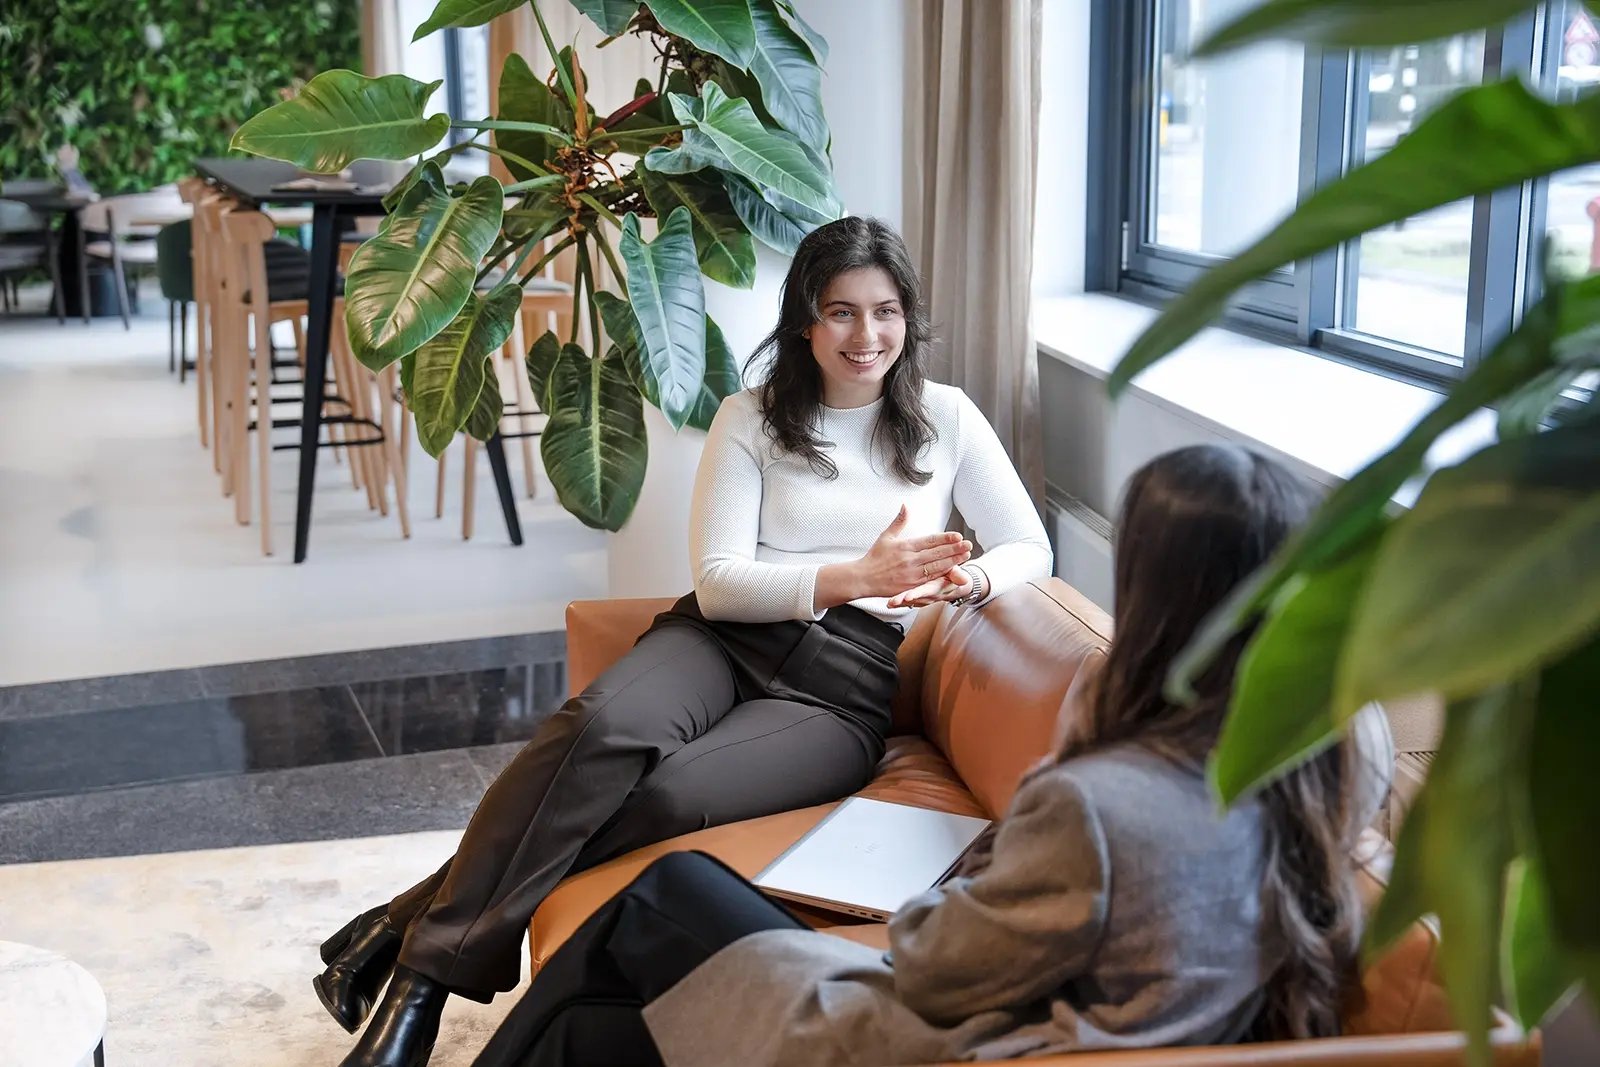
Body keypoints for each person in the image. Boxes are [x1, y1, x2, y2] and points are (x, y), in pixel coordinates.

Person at [323, 216, 1054, 1067]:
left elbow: (1029, 545)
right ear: (805, 322)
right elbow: (719, 579)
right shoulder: (750, 417)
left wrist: (969, 581)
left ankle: (405, 920)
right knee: (593, 731)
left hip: (841, 686)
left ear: (908, 317)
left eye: (885, 311)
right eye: (842, 312)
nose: (867, 335)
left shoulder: (946, 418)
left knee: (664, 797)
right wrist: (851, 575)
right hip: (723, 637)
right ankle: (421, 987)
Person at [466, 444, 1397, 1067]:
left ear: (1159, 597)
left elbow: (928, 964)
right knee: (647, 925)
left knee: (640, 937)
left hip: (962, 1048)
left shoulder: (1105, 799)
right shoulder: (1349, 746)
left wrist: (950, 879)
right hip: (1069, 1017)